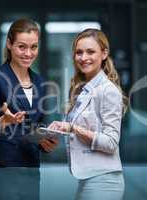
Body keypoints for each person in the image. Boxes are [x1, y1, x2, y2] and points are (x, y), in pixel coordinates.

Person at [0, 18, 58, 200]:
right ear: (9, 44)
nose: (28, 53)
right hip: (0, 173)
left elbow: (36, 126)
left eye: (34, 47)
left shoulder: (40, 83)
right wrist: (3, 121)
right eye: (22, 47)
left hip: (31, 172)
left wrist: (45, 142)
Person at [48, 29, 127, 200]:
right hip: (88, 179)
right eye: (79, 52)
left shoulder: (108, 91)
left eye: (90, 51)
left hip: (104, 182)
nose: (84, 58)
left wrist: (73, 128)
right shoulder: (84, 89)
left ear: (104, 53)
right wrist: (58, 131)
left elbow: (111, 142)